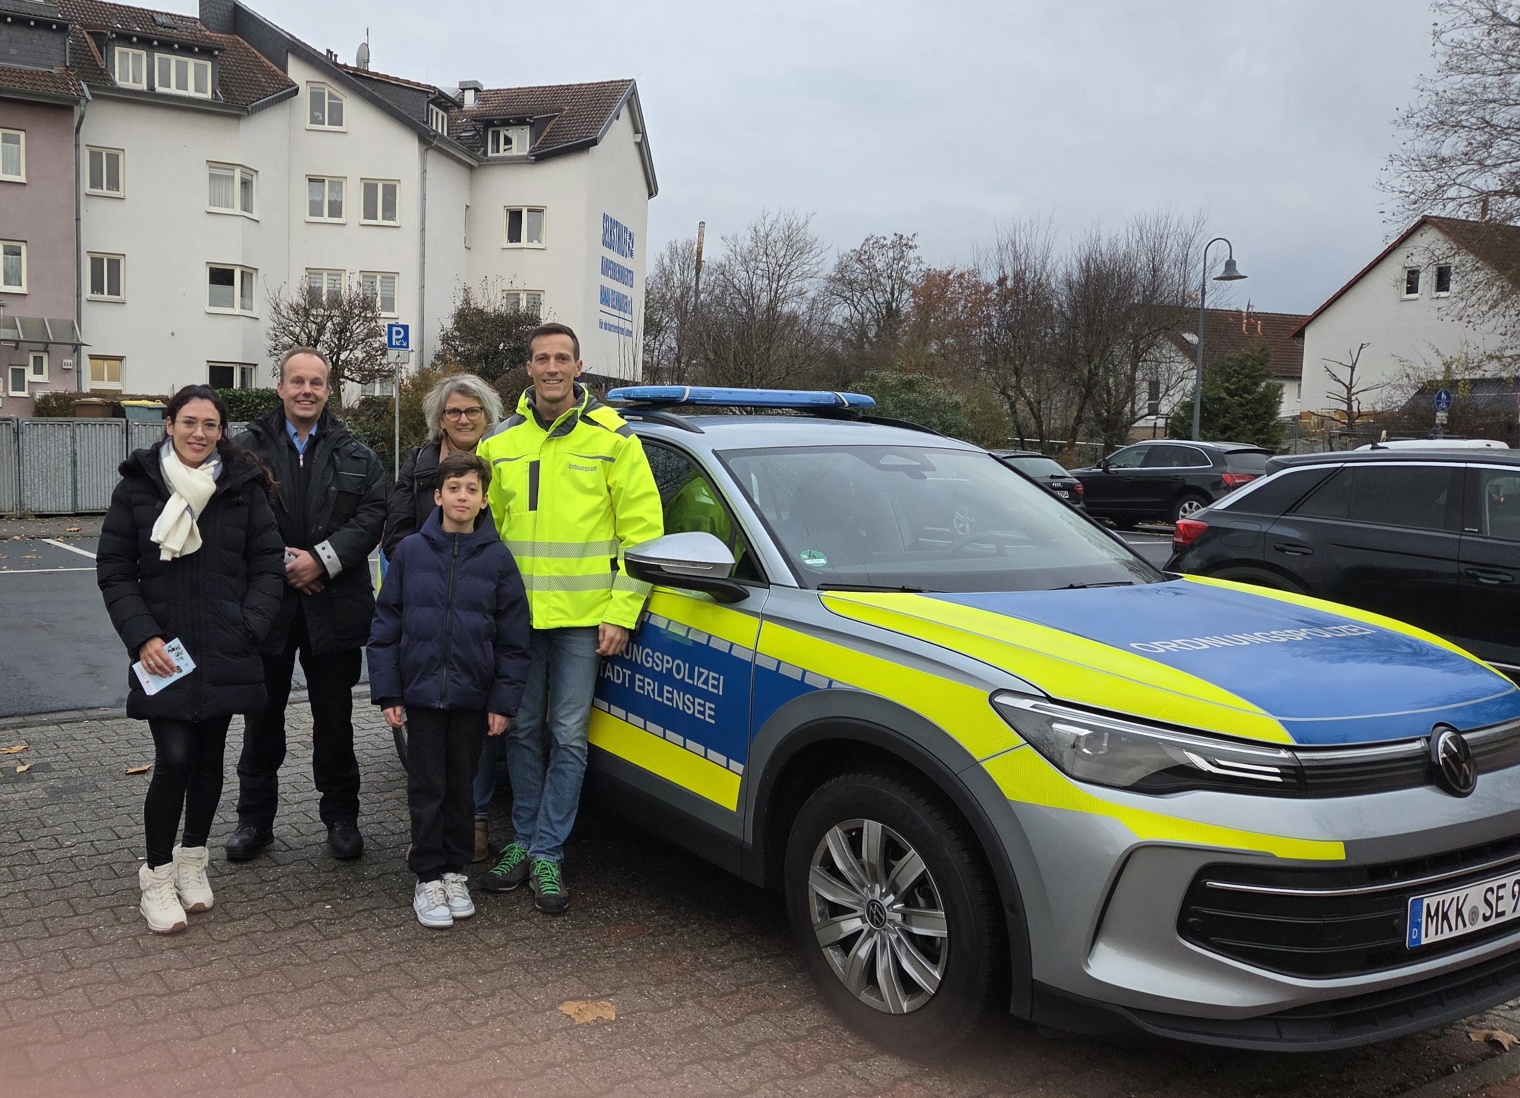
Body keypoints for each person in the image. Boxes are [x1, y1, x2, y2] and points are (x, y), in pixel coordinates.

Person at [476, 322, 663, 914]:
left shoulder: (615, 440)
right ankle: (526, 842)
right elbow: (485, 534)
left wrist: (622, 611)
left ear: (579, 368)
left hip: (586, 622)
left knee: (568, 737)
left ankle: (550, 852)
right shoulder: (499, 444)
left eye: (562, 358)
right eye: (541, 359)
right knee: (523, 732)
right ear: (528, 369)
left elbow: (644, 535)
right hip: (518, 622)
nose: (551, 367)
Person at [96, 385, 286, 933]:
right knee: (175, 757)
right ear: (169, 425)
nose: (199, 433)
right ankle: (155, 877)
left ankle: (193, 861)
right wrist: (143, 638)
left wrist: (249, 624)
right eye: (189, 422)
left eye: (210, 424)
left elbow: (268, 563)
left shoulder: (242, 487)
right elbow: (114, 571)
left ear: (221, 431)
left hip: (227, 645)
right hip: (165, 651)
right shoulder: (137, 488)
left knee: (209, 762)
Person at [228, 347, 387, 862]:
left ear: (328, 390)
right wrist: (283, 564)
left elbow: (372, 516)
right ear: (280, 387)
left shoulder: (357, 454)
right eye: (297, 381)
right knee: (261, 717)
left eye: (316, 383)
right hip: (266, 607)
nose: (306, 391)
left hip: (334, 607)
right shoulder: (243, 450)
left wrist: (321, 560)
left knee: (335, 720)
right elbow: (231, 520)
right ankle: (254, 821)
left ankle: (341, 818)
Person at [368, 452, 531, 927]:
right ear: (437, 496)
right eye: (454, 488)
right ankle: (427, 878)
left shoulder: (499, 560)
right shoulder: (411, 553)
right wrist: (389, 693)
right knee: (426, 787)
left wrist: (503, 702)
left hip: (471, 699)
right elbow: (386, 626)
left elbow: (514, 639)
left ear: (483, 501)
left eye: (472, 490)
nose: (463, 497)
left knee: (462, 787)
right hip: (419, 697)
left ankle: (455, 872)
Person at [382, 372, 504, 862]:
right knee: (430, 739)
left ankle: (472, 820)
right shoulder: (417, 465)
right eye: (453, 411)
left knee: (475, 725)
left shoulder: (505, 458)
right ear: (439, 418)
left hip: (480, 601)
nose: (463, 419)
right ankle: (431, 837)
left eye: (472, 411)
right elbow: (395, 530)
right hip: (428, 605)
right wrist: (425, 566)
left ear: (486, 415)